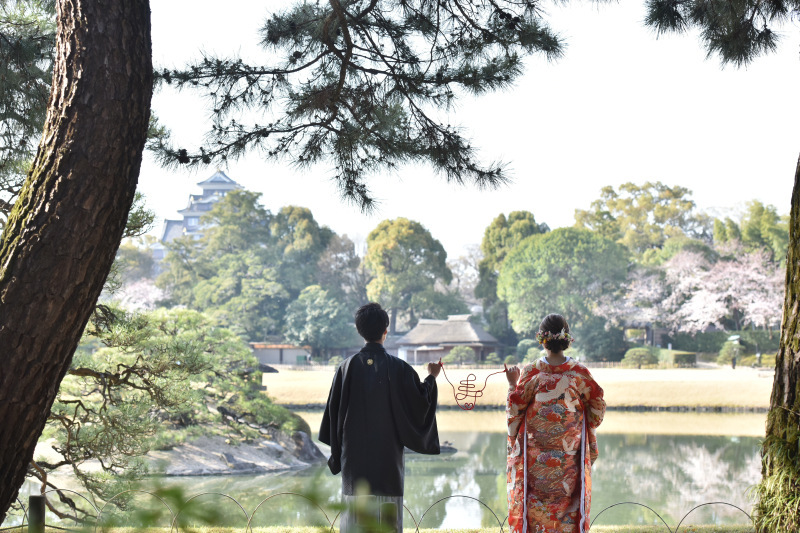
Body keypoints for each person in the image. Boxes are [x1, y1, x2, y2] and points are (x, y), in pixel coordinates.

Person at [319, 302, 442, 533]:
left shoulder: (345, 369)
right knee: (388, 523)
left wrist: (339, 451)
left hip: (354, 463)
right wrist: (431, 378)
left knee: (354, 521)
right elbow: (420, 405)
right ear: (386, 331)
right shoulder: (400, 369)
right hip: (388, 461)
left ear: (359, 331)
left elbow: (333, 418)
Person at [505, 314, 605, 533]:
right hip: (569, 457)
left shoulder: (531, 371)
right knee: (568, 509)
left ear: (542, 339)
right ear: (566, 338)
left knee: (536, 510)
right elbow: (596, 410)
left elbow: (515, 413)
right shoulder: (580, 373)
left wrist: (513, 385)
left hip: (536, 461)